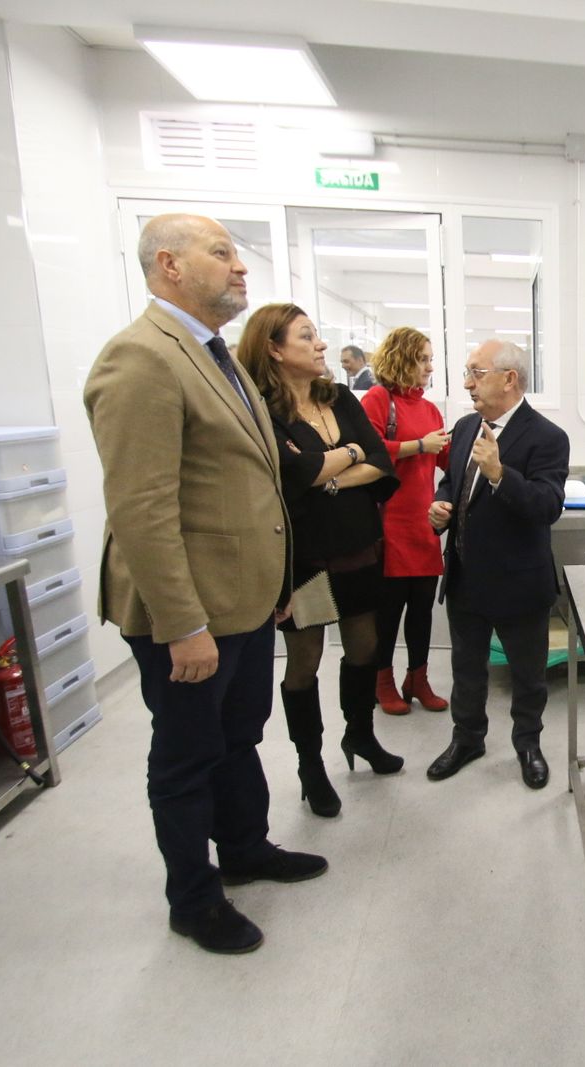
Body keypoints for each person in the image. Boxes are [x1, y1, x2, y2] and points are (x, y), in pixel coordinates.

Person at [83, 214, 325, 956]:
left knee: (238, 736)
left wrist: (277, 585)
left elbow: (247, 486)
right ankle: (193, 897)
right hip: (188, 612)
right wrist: (181, 623)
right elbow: (141, 507)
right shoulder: (140, 358)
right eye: (221, 254)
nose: (240, 269)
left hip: (244, 600)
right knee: (187, 754)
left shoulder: (213, 355)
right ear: (170, 265)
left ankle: (245, 848)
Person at [237, 304, 402, 819]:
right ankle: (311, 764)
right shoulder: (263, 410)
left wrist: (332, 471)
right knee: (305, 659)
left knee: (365, 646)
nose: (321, 345)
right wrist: (348, 458)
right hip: (305, 557)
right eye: (307, 336)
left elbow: (379, 461)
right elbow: (294, 472)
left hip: (357, 546)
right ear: (274, 348)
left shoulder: (342, 398)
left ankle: (361, 736)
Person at [426, 340, 570, 789]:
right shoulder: (467, 426)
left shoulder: (548, 437)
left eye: (476, 372)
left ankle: (528, 744)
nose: (467, 383)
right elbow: (451, 483)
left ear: (509, 378)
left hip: (519, 585)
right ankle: (467, 738)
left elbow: (547, 505)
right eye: (467, 373)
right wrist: (440, 504)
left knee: (529, 677)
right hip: (466, 578)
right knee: (466, 671)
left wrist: (500, 475)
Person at [362, 326, 452, 715]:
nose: (430, 367)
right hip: (389, 527)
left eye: (431, 359)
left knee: (421, 611)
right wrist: (419, 445)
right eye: (424, 359)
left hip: (423, 527)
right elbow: (366, 451)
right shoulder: (379, 399)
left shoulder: (430, 409)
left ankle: (417, 678)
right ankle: (383, 682)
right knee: (387, 613)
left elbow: (446, 461)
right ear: (403, 358)